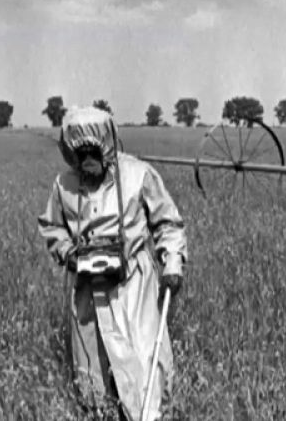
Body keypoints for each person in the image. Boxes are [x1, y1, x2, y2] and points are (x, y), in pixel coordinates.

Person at [38, 106, 187, 420]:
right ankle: (103, 412)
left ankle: (152, 414)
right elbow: (52, 227)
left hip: (133, 282)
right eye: (80, 155)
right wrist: (69, 253)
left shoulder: (138, 175)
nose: (87, 162)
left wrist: (172, 265)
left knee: (143, 356)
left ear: (106, 145)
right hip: (88, 287)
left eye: (93, 152)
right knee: (96, 366)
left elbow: (167, 223)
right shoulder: (63, 184)